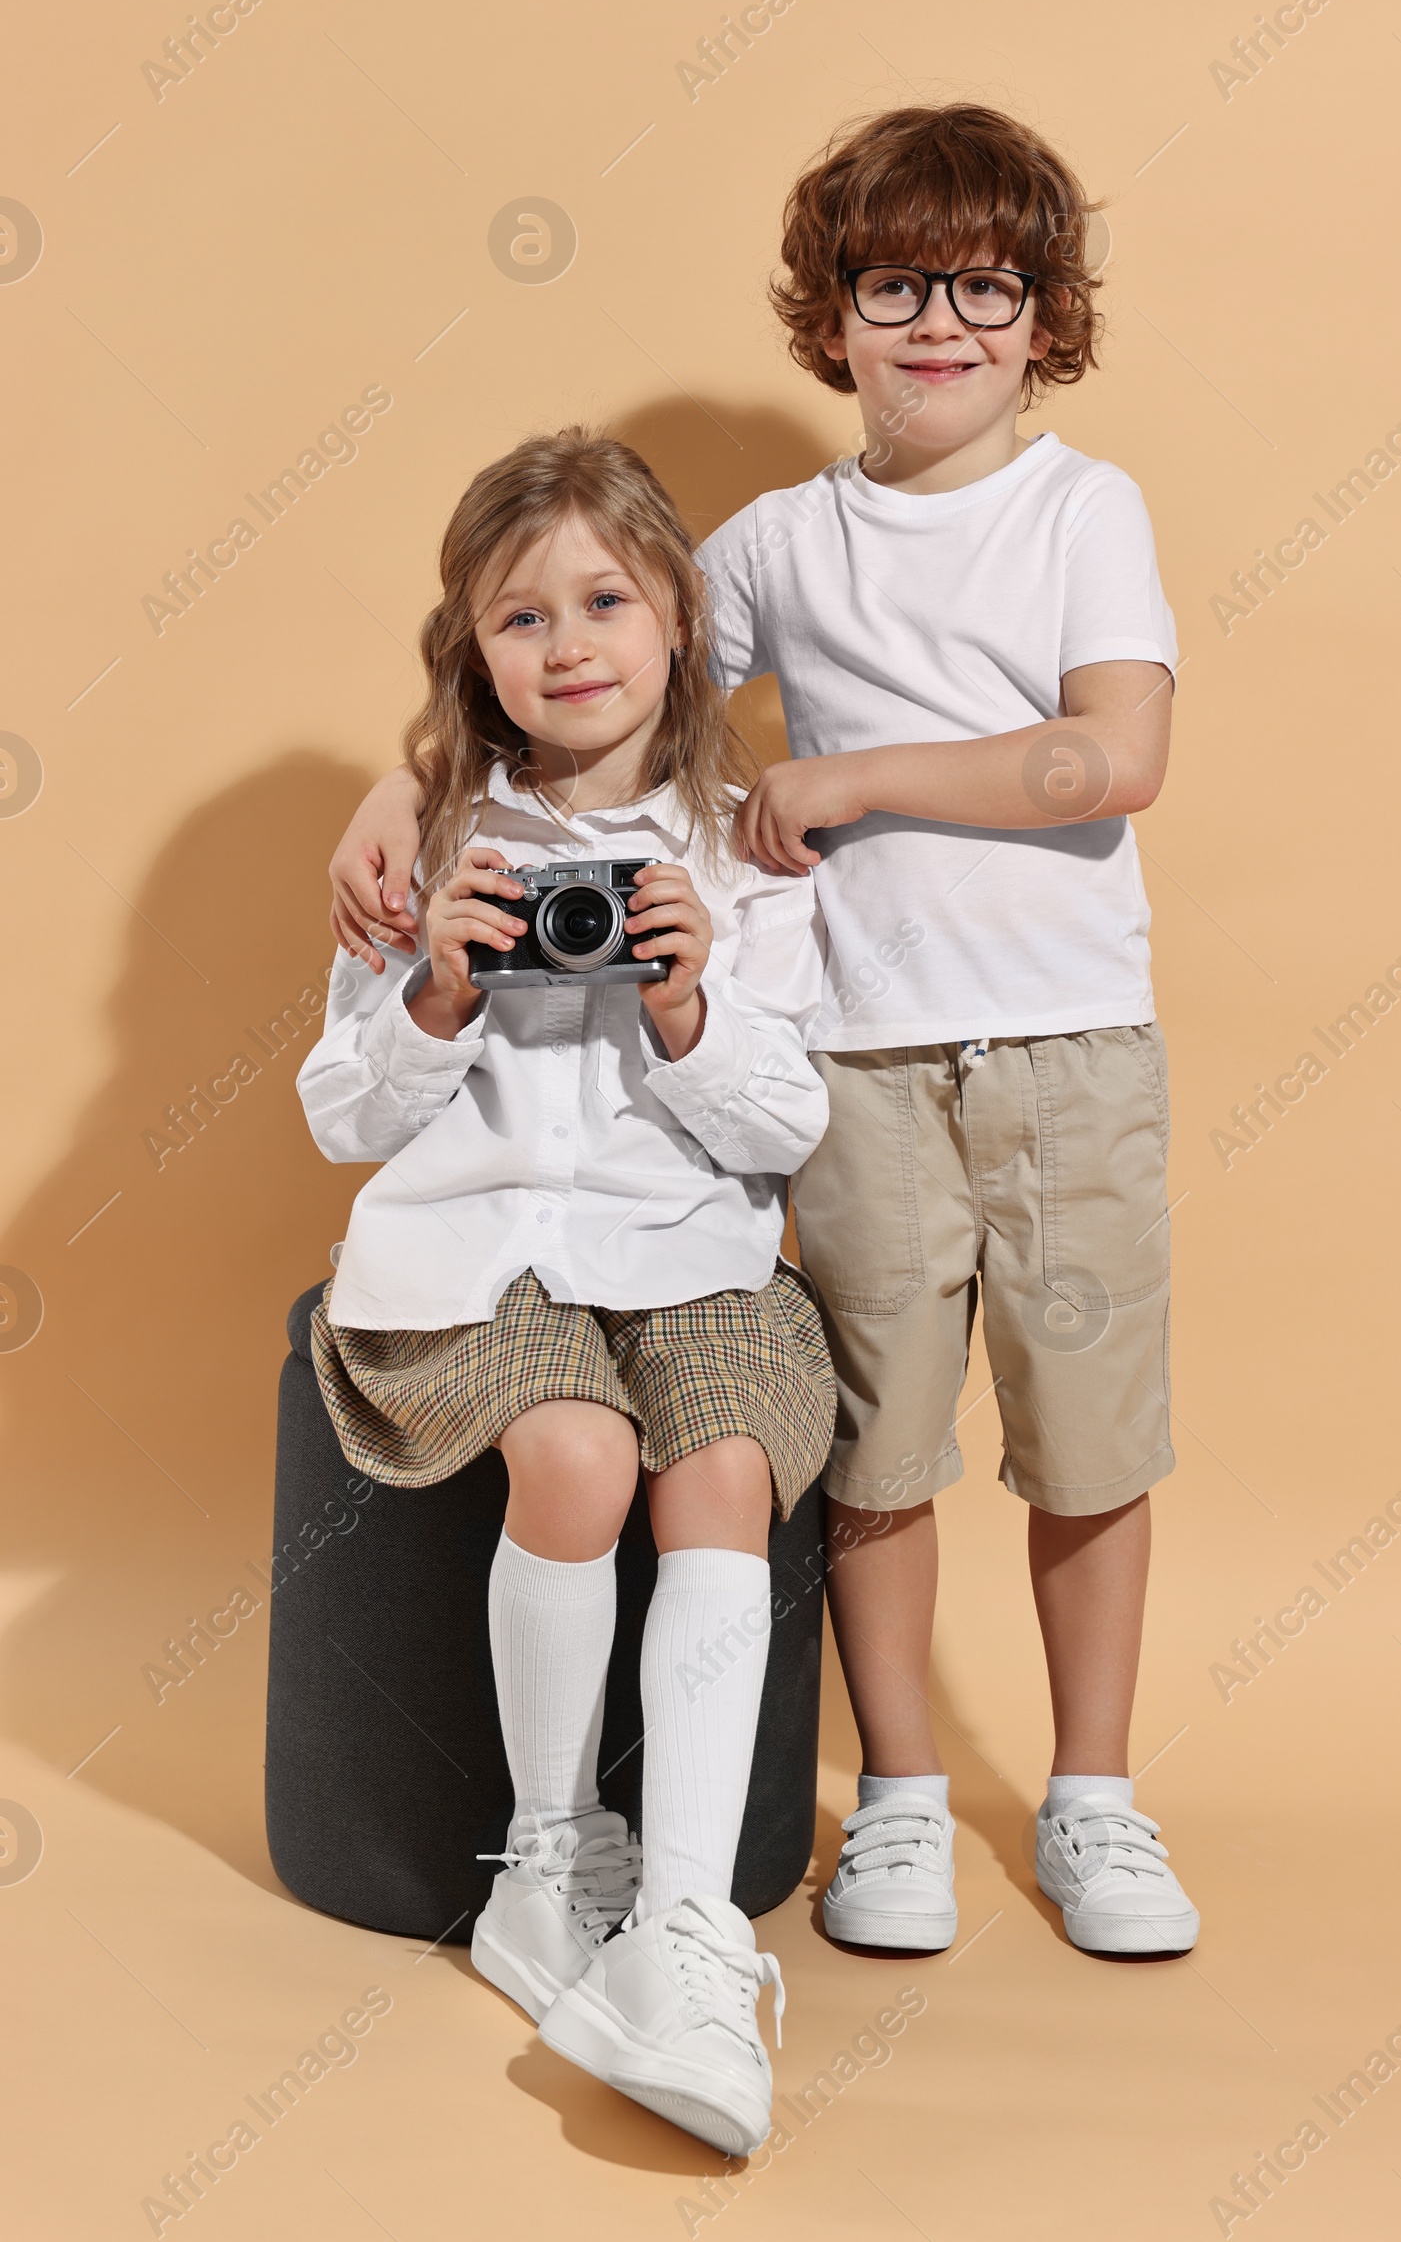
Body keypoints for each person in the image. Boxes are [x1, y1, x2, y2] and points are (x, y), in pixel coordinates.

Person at [327, 102, 1200, 1961]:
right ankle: (894, 1800)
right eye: (897, 286)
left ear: (1047, 313)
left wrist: (844, 773)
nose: (941, 323)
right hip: (857, 1057)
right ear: (834, 311)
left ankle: (1096, 1796)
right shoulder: (784, 543)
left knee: (1091, 1438)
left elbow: (1112, 758)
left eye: (986, 287)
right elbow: (581, 652)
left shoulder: (1082, 509)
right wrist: (405, 796)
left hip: (1073, 1043)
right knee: (880, 1450)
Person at [298, 428, 833, 2154]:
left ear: (679, 613)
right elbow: (339, 1117)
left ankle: (682, 1931)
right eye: (521, 617)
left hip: (688, 1247)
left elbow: (792, 1116)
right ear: (474, 651)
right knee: (584, 1464)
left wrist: (687, 1005)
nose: (572, 641)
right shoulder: (427, 848)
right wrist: (439, 992)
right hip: (478, 1250)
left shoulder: (740, 854)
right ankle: (547, 1865)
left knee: (725, 1474)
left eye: (607, 598)